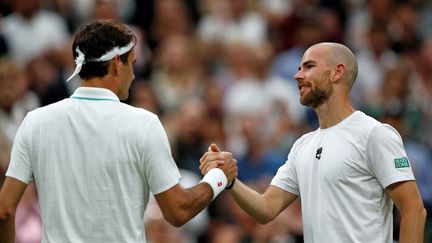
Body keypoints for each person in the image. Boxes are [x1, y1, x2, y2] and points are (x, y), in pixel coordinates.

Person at [0, 19, 237, 243]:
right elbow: (178, 211)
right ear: (115, 63)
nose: (133, 75)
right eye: (131, 64)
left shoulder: (35, 121)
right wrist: (218, 178)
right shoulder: (144, 124)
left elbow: (4, 209)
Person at [200, 42, 426, 243]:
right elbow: (266, 209)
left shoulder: (374, 134)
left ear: (337, 73)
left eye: (308, 67)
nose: (298, 75)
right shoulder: (302, 146)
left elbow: (414, 209)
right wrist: (230, 181)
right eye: (299, 68)